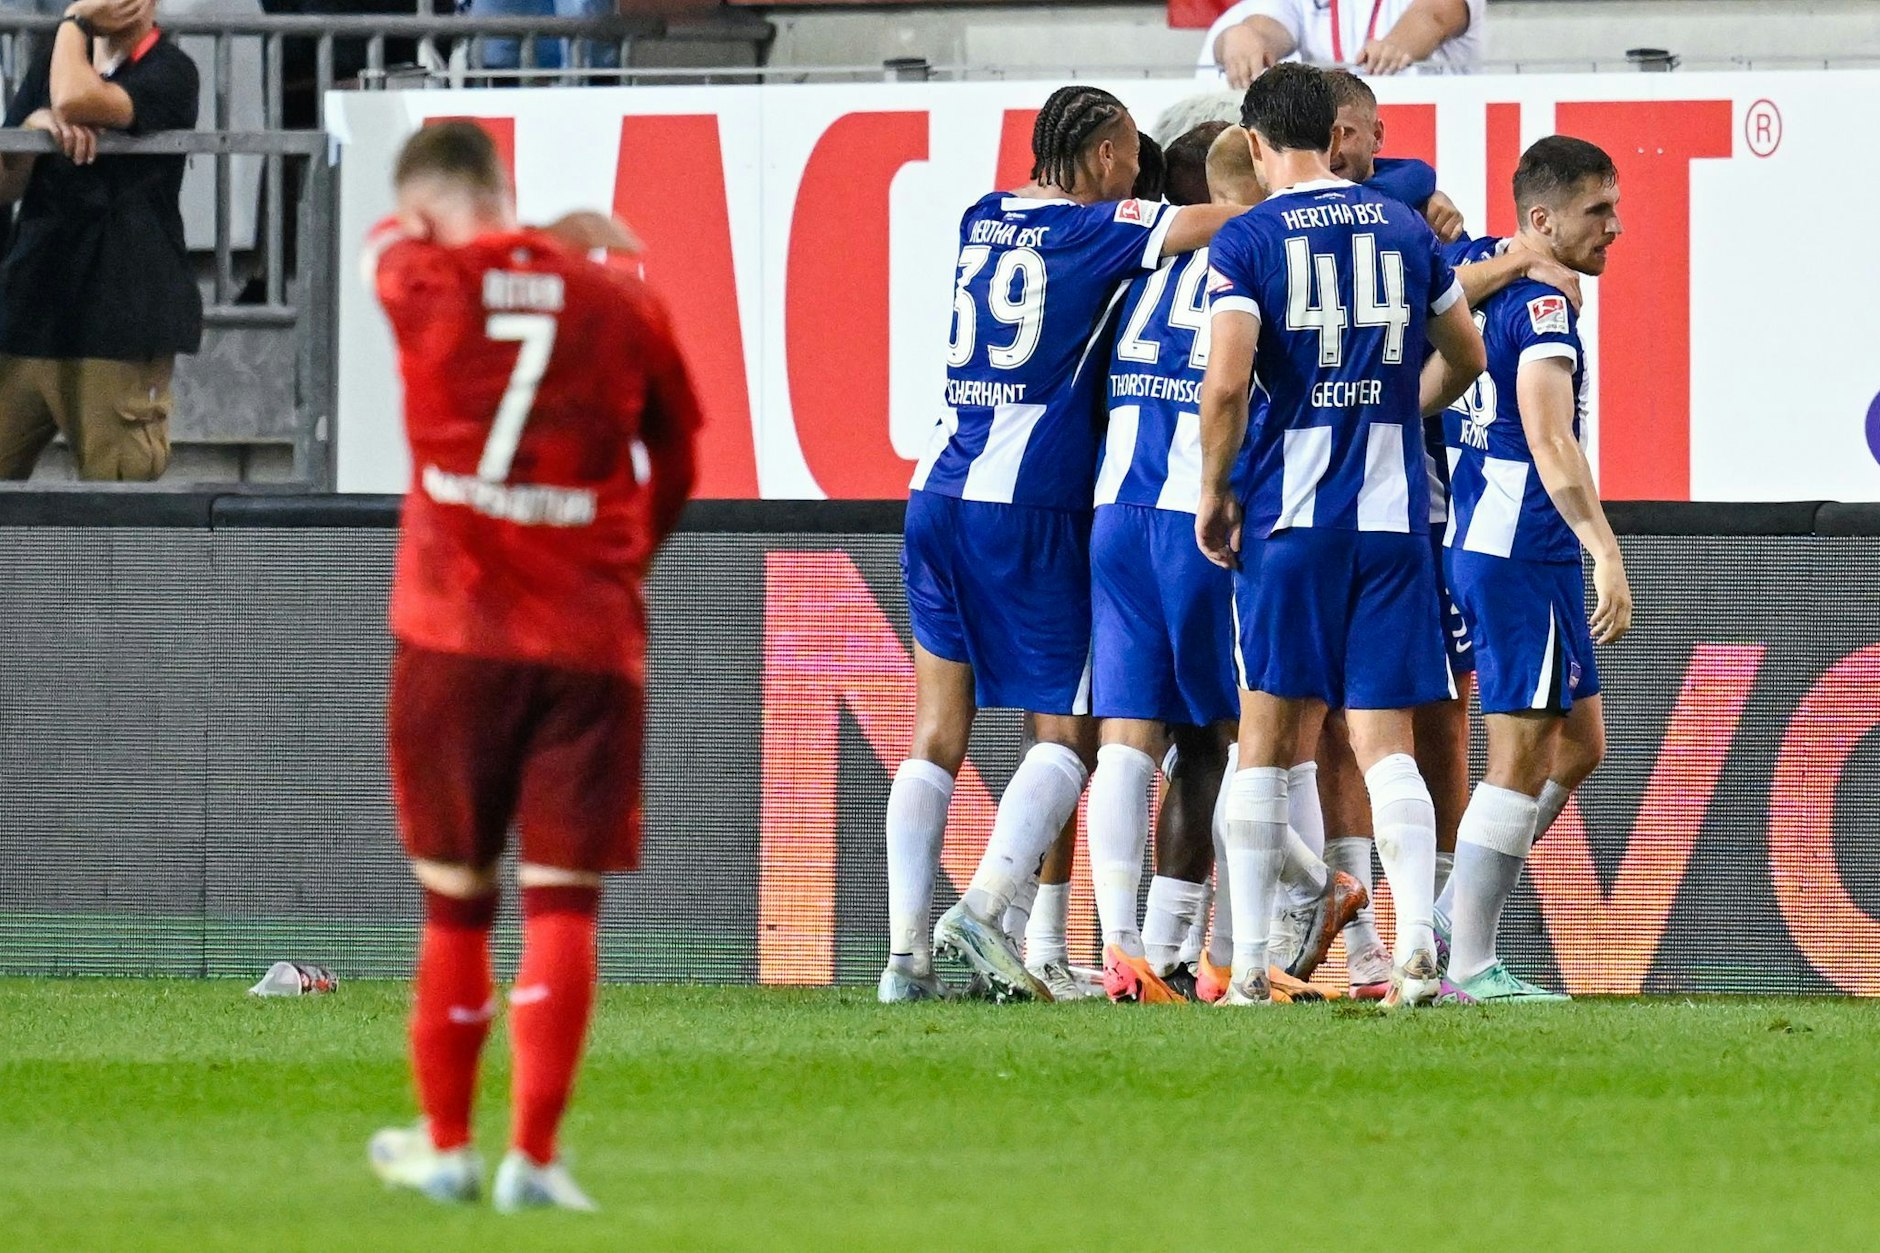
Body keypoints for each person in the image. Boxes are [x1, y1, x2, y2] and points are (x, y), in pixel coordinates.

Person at [363, 121, 700, 1210]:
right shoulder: (621, 302)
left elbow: (400, 243)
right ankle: (535, 1159)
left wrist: (513, 246)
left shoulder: (415, 276)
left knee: (457, 904)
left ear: (424, 209)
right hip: (587, 640)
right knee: (563, 905)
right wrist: (620, 562)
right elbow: (679, 454)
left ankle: (447, 1144)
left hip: (453, 636)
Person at [879, 85, 1241, 1004]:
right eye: (1129, 157)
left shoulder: (982, 215)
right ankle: (985, 911)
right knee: (1073, 734)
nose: (1135, 172)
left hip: (935, 488)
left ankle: (905, 959)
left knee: (936, 731)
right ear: (1105, 155)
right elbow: (1216, 219)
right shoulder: (1098, 230)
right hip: (1028, 505)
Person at [1196, 64, 1486, 1008]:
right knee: (1386, 742)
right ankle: (1417, 953)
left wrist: (1213, 491)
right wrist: (1400, 409)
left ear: (1254, 143)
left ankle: (1248, 969)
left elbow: (1227, 385)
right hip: (1393, 523)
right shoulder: (1402, 227)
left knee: (1265, 739)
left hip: (1292, 519)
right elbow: (1469, 354)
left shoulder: (1248, 238)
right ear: (1335, 132)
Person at [1433, 136, 1628, 1003]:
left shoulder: (1479, 265)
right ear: (1543, 219)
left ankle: (1450, 914)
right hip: (1520, 546)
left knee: (1581, 742)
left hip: (1489, 535)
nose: (1614, 227)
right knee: (1516, 756)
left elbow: (1440, 287)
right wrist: (1605, 551)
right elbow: (1551, 440)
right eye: (1598, 210)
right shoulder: (1545, 310)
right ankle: (1469, 963)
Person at [0, 0, 198, 481]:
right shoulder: (54, 62)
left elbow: (74, 100)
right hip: (33, 306)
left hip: (117, 316)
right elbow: (5, 184)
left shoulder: (170, 69)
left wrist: (74, 22)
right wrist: (32, 128)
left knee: (116, 492)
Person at [1200, 0, 1486, 88]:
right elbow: (1267, 26)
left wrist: (1396, 45)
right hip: (1333, 140)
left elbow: (1435, 15)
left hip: (1424, 137)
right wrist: (1242, 37)